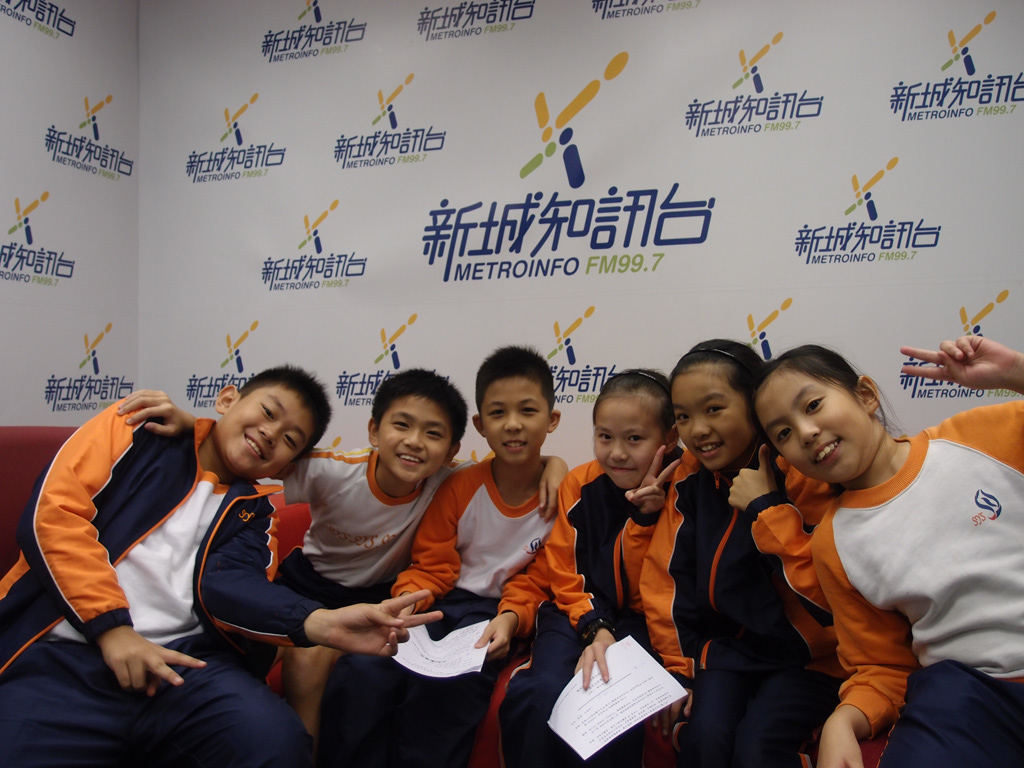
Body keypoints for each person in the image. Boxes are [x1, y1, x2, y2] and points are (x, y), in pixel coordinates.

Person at [0, 365, 440, 768]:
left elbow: (232, 587)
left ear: (287, 465)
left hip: (184, 669)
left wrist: (319, 622)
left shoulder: (256, 514)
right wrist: (113, 631)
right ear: (228, 399)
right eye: (268, 412)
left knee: (276, 743)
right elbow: (54, 517)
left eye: (290, 440)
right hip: (66, 656)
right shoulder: (135, 428)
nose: (271, 434)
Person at [120, 367, 565, 752]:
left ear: (450, 451)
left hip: (375, 597)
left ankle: (302, 748)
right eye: (402, 425)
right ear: (373, 431)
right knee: (240, 656)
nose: (414, 443)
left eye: (433, 434)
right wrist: (193, 425)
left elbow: (514, 460)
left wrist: (555, 465)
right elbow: (251, 454)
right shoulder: (332, 470)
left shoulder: (445, 479)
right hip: (305, 584)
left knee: (317, 663)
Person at [752, 335, 1024, 768]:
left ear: (865, 395)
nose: (805, 432)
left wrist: (1016, 373)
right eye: (783, 433)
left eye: (813, 405)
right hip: (967, 692)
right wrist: (843, 720)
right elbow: (881, 666)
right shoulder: (833, 542)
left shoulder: (977, 437)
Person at [317, 345, 562, 768]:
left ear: (552, 420)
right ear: (480, 425)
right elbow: (431, 565)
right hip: (440, 602)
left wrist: (511, 618)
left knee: (449, 690)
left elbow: (537, 581)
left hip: (495, 616)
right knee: (362, 671)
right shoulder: (460, 484)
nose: (513, 424)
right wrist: (405, 603)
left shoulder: (562, 497)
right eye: (498, 413)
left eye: (528, 411)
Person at [639, 340, 843, 768]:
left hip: (812, 660)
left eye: (714, 409)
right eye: (683, 416)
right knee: (705, 739)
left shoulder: (803, 471)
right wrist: (678, 668)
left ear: (754, 404)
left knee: (757, 749)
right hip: (727, 653)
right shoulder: (691, 479)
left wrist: (766, 508)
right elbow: (665, 581)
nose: (698, 430)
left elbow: (830, 593)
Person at [499, 368, 680, 768]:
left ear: (669, 438)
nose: (617, 453)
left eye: (634, 439)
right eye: (605, 437)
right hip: (574, 610)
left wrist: (646, 519)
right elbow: (564, 571)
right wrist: (595, 627)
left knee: (612, 700)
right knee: (541, 692)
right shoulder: (580, 484)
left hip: (642, 622)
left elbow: (654, 587)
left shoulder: (685, 486)